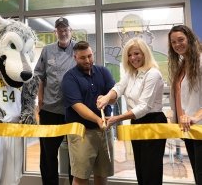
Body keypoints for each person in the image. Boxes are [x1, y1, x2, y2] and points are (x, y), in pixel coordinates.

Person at [97, 37, 167, 185]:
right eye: (129, 55)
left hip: (153, 122)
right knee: (141, 168)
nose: (133, 58)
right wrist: (106, 97)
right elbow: (119, 88)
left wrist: (117, 118)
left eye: (136, 53)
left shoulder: (153, 74)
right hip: (136, 121)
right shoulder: (131, 73)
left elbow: (144, 107)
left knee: (151, 171)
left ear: (145, 53)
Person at [62, 41, 115, 185]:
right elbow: (78, 106)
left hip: (104, 131)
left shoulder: (103, 72)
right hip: (82, 133)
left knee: (102, 173)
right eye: (83, 57)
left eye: (90, 56)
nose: (87, 60)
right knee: (81, 176)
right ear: (75, 58)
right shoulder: (69, 78)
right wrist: (98, 120)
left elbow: (114, 95)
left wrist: (107, 98)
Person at [35, 17, 76, 185]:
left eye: (65, 29)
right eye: (59, 29)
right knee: (48, 154)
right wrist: (40, 99)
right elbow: (39, 76)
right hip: (50, 111)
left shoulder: (78, 48)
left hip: (74, 110)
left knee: (76, 153)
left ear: (70, 31)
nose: (63, 32)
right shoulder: (47, 50)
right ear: (55, 32)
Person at [168, 24, 202, 184]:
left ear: (190, 38)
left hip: (199, 126)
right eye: (173, 42)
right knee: (197, 172)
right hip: (189, 128)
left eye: (180, 40)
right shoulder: (183, 64)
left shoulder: (201, 60)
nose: (177, 45)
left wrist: (195, 117)